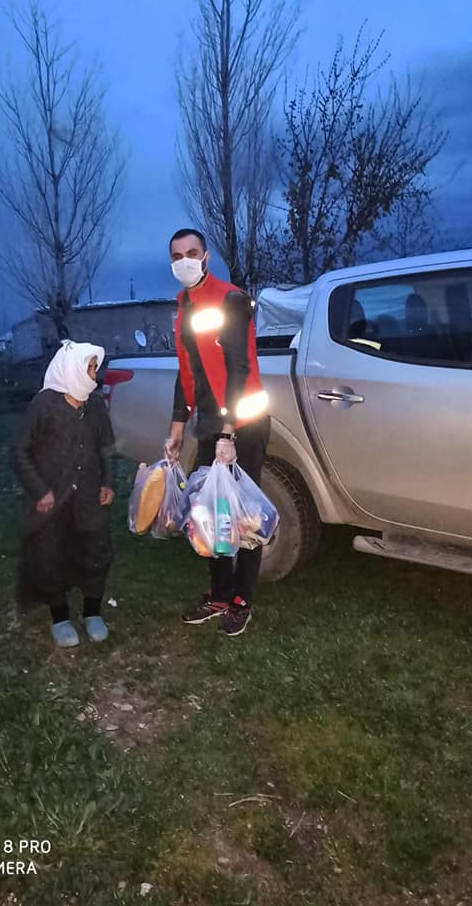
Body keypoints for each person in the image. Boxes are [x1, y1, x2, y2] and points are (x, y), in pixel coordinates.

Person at [164, 228, 270, 637]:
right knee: (212, 513)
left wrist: (229, 433)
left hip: (243, 424)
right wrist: (177, 427)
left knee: (245, 515)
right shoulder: (184, 304)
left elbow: (240, 366)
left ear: (206, 256)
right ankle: (220, 595)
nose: (185, 261)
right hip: (209, 425)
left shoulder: (231, 299)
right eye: (177, 256)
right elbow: (186, 369)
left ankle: (242, 600)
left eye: (191, 253)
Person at [12, 340, 115, 647]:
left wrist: (107, 481)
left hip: (89, 496)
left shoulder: (95, 405)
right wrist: (39, 490)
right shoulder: (44, 405)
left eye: (95, 367)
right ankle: (60, 617)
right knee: (51, 555)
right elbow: (20, 450)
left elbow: (106, 447)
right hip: (53, 499)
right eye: (89, 368)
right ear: (71, 370)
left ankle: (93, 612)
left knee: (96, 552)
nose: (94, 374)